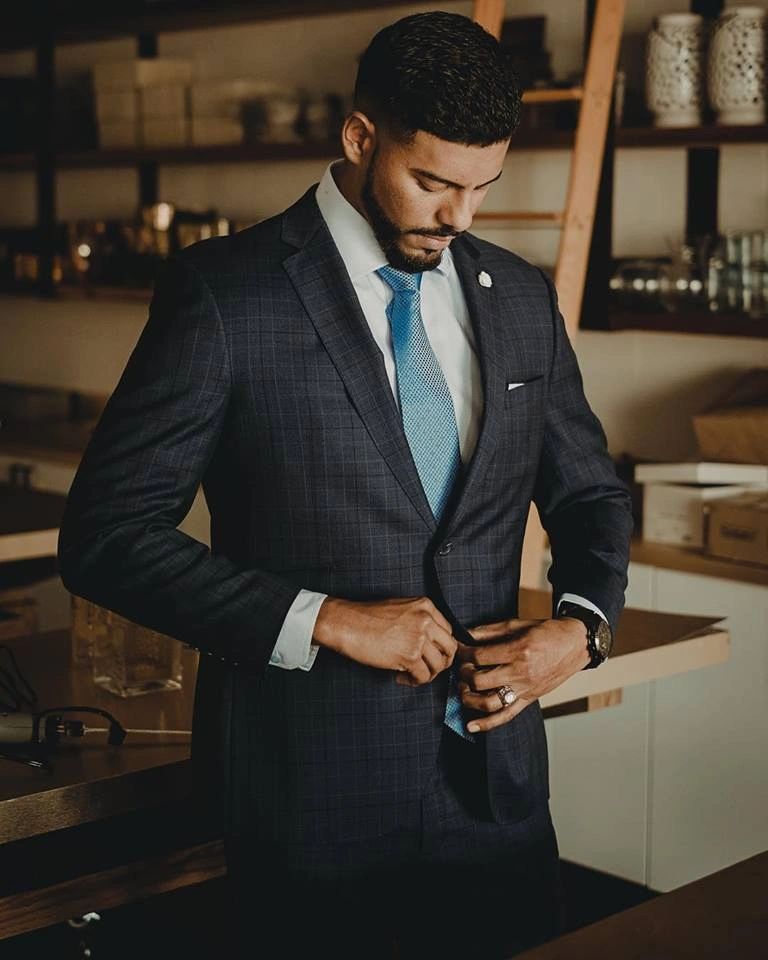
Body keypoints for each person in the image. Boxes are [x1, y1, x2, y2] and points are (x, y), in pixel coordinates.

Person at [58, 11, 633, 959]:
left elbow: (590, 497)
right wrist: (326, 617)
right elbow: (107, 535)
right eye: (433, 181)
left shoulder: (521, 295)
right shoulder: (224, 294)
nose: (460, 217)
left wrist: (582, 628)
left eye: (483, 187)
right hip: (308, 807)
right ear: (360, 138)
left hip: (499, 800)